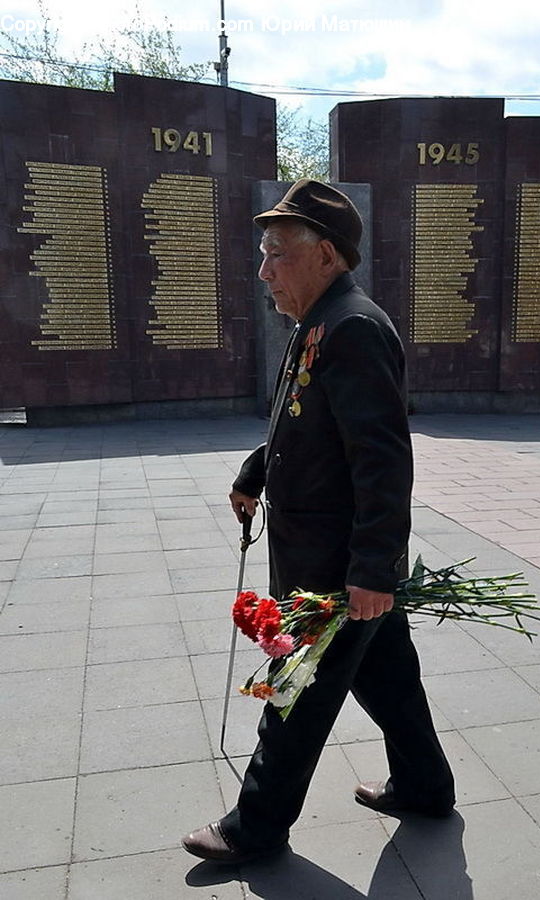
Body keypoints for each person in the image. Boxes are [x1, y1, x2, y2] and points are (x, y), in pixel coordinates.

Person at [181, 179, 455, 863]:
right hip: (330, 557)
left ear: (326, 254)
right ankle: (424, 786)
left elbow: (381, 459)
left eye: (278, 253)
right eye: (263, 253)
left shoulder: (353, 327)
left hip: (333, 569)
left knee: (291, 693)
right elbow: (305, 427)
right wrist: (255, 472)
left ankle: (255, 827)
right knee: (388, 677)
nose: (264, 269)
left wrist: (370, 570)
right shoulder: (319, 323)